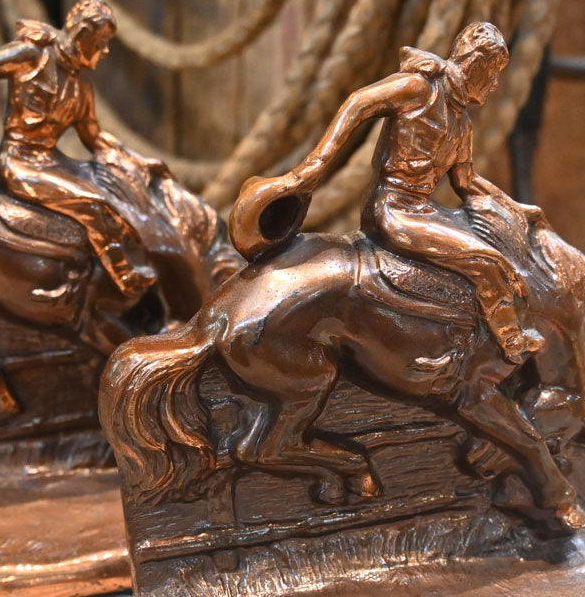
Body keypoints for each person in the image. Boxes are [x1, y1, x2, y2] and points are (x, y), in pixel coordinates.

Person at [230, 22, 543, 365]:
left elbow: (467, 182)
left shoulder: (462, 123)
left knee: (492, 251)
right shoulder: (419, 89)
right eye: (494, 73)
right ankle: (510, 343)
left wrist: (514, 208)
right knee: (488, 261)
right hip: (392, 210)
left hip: (424, 211)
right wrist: (314, 166)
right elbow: (359, 103)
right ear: (477, 64)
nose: (496, 84)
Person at [0, 0, 156, 299]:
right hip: (18, 162)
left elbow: (93, 136)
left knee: (115, 196)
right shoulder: (33, 55)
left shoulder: (81, 87)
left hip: (52, 162)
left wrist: (135, 160)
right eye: (101, 43)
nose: (105, 51)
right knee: (93, 202)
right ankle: (124, 277)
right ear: (82, 33)